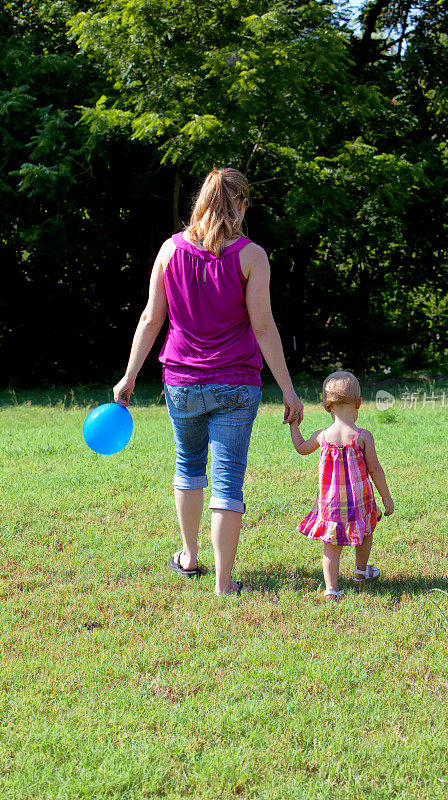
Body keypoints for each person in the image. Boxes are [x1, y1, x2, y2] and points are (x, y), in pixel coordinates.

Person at [113, 167, 303, 595]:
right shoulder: (251, 256)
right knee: (229, 478)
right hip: (237, 383)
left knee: (188, 465)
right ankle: (223, 583)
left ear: (202, 200)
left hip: (180, 382)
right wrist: (288, 391)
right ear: (240, 204)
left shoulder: (168, 251)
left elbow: (150, 318)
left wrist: (129, 376)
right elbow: (265, 327)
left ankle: (189, 557)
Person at [289, 371, 393, 601]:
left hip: (331, 505)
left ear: (327, 406)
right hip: (360, 500)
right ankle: (360, 571)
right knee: (365, 533)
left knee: (331, 547)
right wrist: (386, 498)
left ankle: (331, 589)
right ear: (359, 403)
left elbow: (300, 447)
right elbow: (375, 469)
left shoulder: (322, 436)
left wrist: (294, 425)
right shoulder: (363, 436)